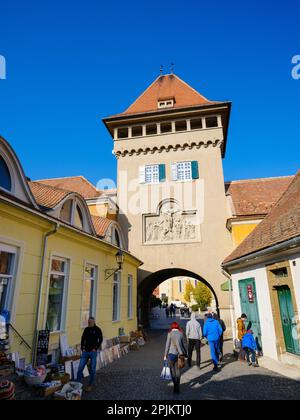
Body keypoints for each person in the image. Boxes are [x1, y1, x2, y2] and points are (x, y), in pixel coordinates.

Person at [77, 317, 103, 392]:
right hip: (85, 352)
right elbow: (82, 338)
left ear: (94, 322)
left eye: (90, 322)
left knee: (92, 369)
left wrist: (96, 348)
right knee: (80, 368)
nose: (89, 324)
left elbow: (100, 339)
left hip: (93, 352)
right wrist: (82, 348)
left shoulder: (97, 329)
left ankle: (90, 385)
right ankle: (77, 385)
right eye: (88, 322)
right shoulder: (86, 329)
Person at [164, 322, 187, 394]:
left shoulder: (170, 334)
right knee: (178, 369)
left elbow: (167, 345)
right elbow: (184, 344)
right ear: (177, 327)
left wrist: (165, 354)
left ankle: (175, 384)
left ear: (172, 327)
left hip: (171, 354)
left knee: (172, 370)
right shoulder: (181, 333)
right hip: (180, 355)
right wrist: (185, 353)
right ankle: (177, 385)